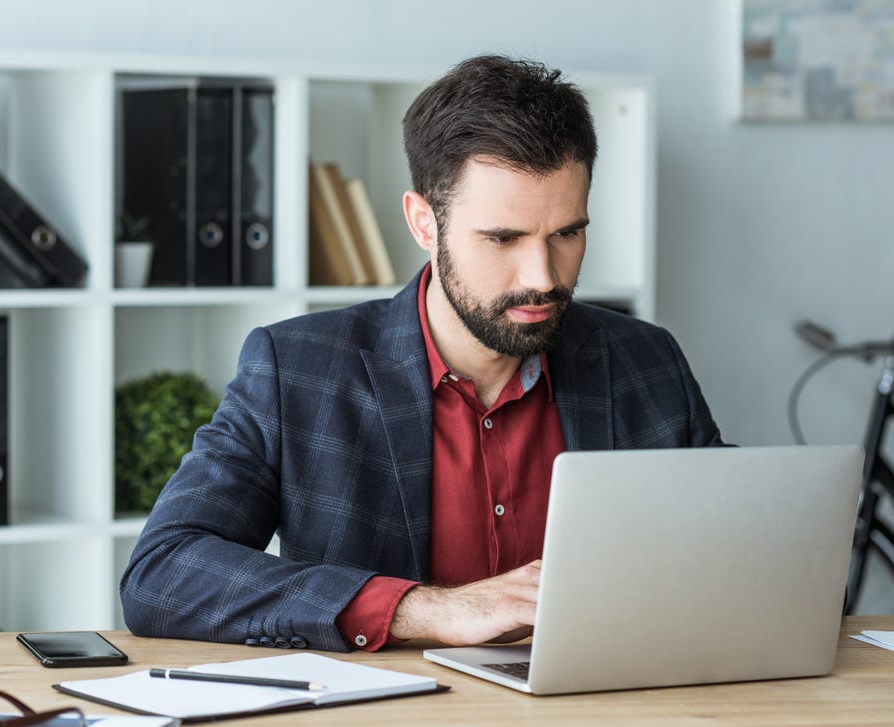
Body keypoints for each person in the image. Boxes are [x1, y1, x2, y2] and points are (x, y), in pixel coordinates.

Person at [120, 54, 724, 653]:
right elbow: (162, 573)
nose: (542, 277)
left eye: (566, 233)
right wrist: (427, 608)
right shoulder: (295, 370)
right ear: (424, 223)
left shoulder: (646, 361)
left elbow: (733, 547)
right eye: (503, 238)